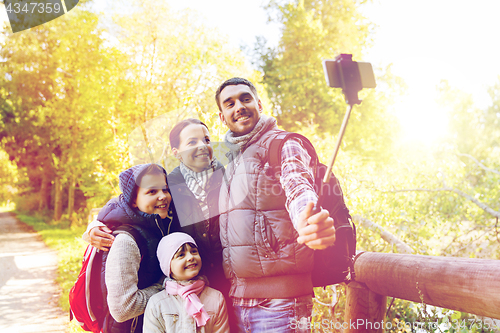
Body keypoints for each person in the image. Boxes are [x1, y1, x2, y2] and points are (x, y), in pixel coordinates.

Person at [215, 77, 336, 332]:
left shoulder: (283, 143)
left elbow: (298, 185)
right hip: (236, 303)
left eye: (245, 98)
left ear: (259, 103)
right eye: (230, 103)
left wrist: (308, 220)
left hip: (281, 305)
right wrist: (111, 220)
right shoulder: (227, 161)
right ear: (221, 116)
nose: (239, 106)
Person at [95, 163, 177, 332]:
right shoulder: (126, 241)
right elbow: (123, 309)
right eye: (152, 191)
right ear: (133, 200)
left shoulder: (160, 227)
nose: (163, 196)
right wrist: (171, 286)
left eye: (165, 189)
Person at [143, 232, 229, 332]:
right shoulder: (157, 303)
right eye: (181, 255)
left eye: (194, 251)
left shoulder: (216, 298)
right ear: (168, 266)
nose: (190, 257)